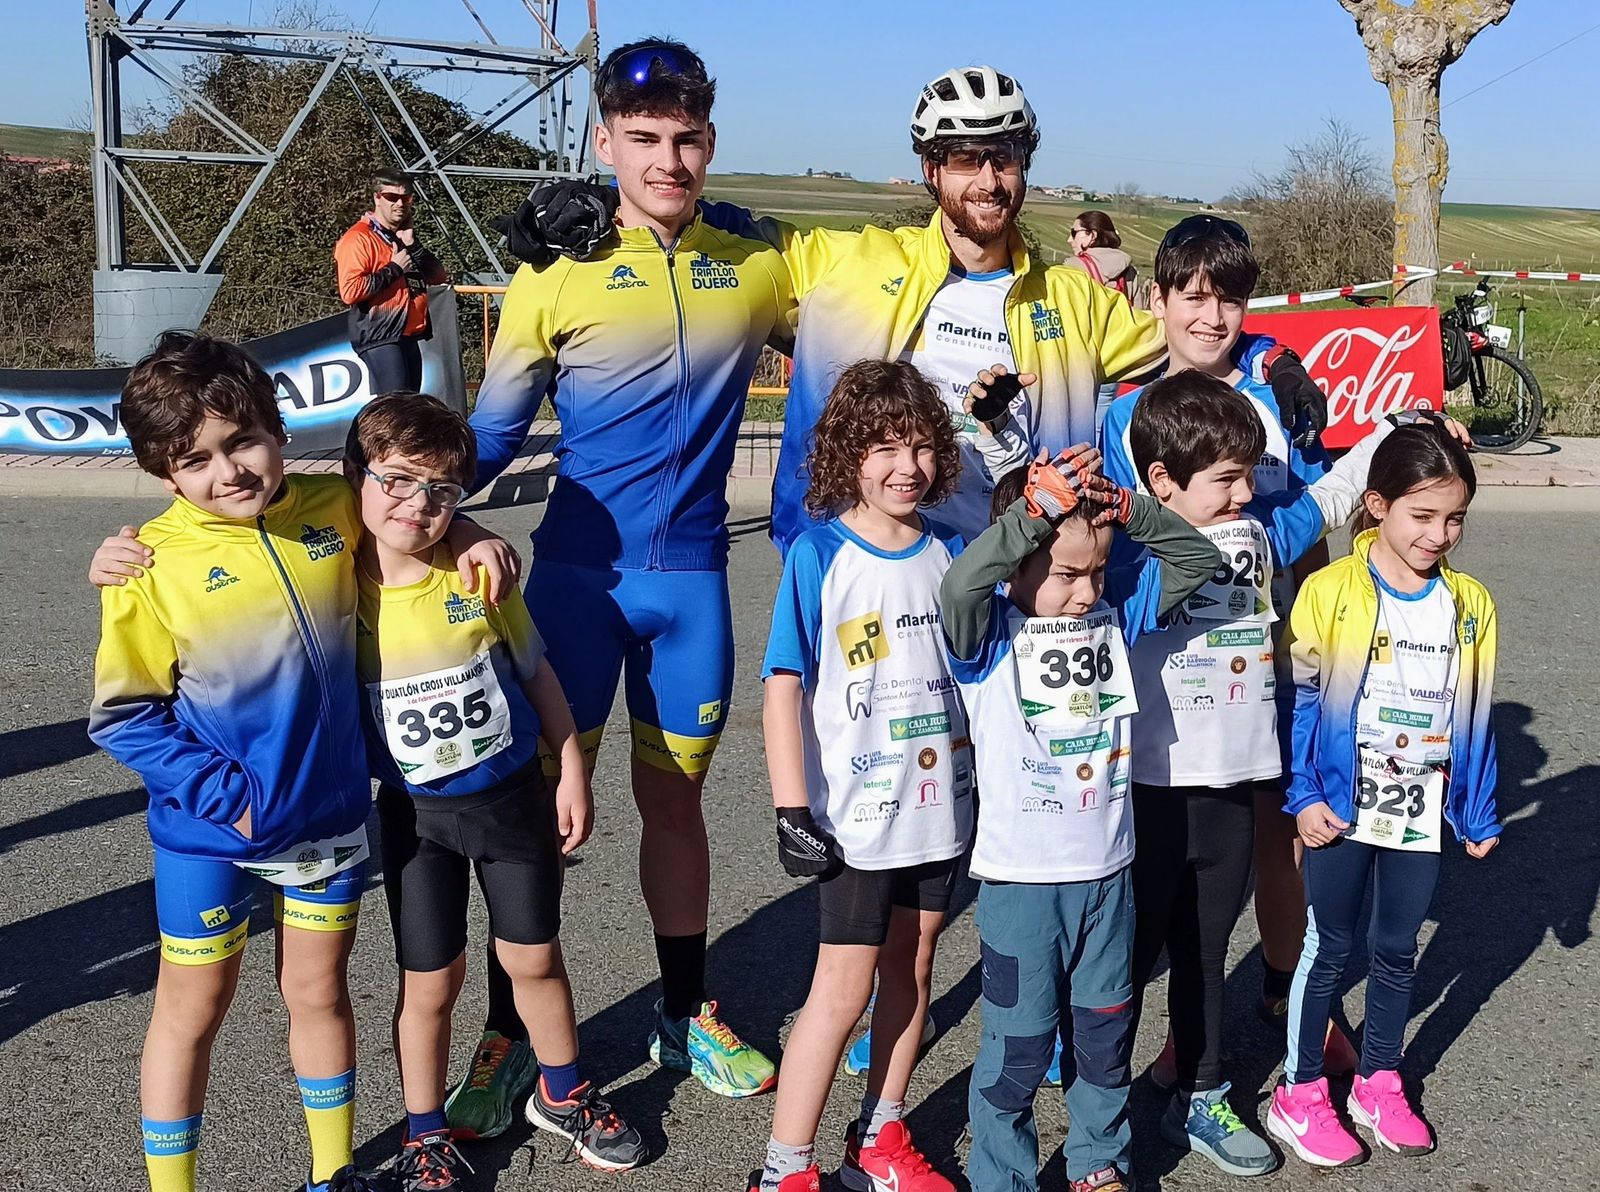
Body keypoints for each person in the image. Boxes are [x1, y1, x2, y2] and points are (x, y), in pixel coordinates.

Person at [459, 38, 785, 1124]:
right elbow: (488, 438)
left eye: (686, 137)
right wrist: (379, 506)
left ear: (710, 142)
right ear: (606, 143)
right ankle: (513, 1031)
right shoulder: (552, 271)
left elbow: (882, 300)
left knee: (676, 805)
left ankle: (684, 1009)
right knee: (532, 821)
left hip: (692, 585)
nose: (667, 157)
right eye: (643, 138)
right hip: (576, 585)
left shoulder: (758, 260)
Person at [89, 332, 378, 1192]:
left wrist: (470, 530)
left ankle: (335, 1175)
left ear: (279, 431)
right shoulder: (150, 566)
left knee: (318, 995)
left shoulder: (335, 507)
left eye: (243, 440)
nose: (230, 472)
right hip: (210, 832)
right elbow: (123, 716)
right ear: (164, 474)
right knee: (191, 1009)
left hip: (328, 816)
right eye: (197, 460)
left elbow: (415, 513)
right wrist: (231, 798)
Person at [343, 393, 645, 1189]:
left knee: (534, 958)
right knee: (430, 983)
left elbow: (536, 670)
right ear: (359, 477)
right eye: (400, 482)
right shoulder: (336, 577)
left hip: (511, 800)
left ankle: (564, 1090)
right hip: (416, 818)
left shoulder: (477, 575)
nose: (419, 505)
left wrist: (571, 765)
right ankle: (422, 1132)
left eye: (444, 492)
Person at [1117, 374, 1410, 1177]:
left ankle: (1201, 1094)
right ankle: (1094, 1096)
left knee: (1206, 949)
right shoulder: (1126, 552)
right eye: (1228, 479)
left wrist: (1395, 424)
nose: (1248, 491)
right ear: (1162, 484)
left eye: (1250, 474)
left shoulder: (1255, 531)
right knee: (1128, 955)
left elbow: (1328, 497)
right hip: (1148, 786)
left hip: (1240, 781)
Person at [1098, 215, 1355, 1086]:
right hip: (1172, 674)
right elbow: (1114, 555)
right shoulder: (1127, 415)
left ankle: (1295, 1007)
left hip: (1278, 653)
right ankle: (1163, 1034)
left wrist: (1317, 644)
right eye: (1194, 297)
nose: (1212, 317)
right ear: (1158, 300)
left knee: (1285, 834)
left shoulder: (1278, 395)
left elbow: (1311, 526)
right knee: (1176, 860)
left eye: (1231, 297)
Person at [940, 443, 1222, 1192]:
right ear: (1019, 563)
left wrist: (1129, 509)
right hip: (1023, 885)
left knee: (1103, 1041)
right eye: (1066, 573)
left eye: (1096, 570)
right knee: (1020, 1051)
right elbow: (960, 585)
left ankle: (1100, 1163)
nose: (1084, 589)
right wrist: (1031, 515)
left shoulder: (1115, 619)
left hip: (1108, 879)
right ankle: (1004, 1177)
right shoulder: (987, 637)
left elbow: (1198, 562)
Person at [753, 360, 972, 1192]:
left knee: (911, 972)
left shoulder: (951, 550)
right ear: (849, 454)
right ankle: (786, 1167)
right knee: (840, 990)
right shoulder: (817, 554)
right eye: (883, 447)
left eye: (920, 446)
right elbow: (784, 685)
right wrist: (789, 806)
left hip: (940, 809)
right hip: (855, 815)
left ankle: (879, 1135)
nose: (905, 467)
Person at [1268, 419, 1500, 1168]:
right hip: (1340, 805)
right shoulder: (1330, 591)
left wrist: (1478, 807)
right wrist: (1302, 796)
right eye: (1422, 516)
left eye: (1455, 517)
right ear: (1376, 505)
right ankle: (1299, 1094)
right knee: (1329, 949)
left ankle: (1378, 1077)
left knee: (1397, 950)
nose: (1440, 534)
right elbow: (1302, 703)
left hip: (1417, 811)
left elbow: (1476, 710)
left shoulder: (1471, 604)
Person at [334, 169, 449, 393]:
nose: (400, 204)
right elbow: (350, 291)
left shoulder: (400, 237)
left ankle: (366, 429)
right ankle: (361, 430)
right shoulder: (358, 238)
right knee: (397, 409)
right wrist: (394, 268)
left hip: (407, 334)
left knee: (406, 408)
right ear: (377, 198)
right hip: (380, 335)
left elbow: (438, 277)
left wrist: (414, 246)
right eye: (391, 198)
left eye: (405, 198)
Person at [1064, 210, 1143, 441]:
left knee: (1073, 429)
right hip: (1114, 358)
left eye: (1074, 232)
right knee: (1101, 424)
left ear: (1091, 235)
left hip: (1079, 360)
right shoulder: (1128, 270)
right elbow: (1137, 314)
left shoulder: (1072, 267)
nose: (1070, 239)